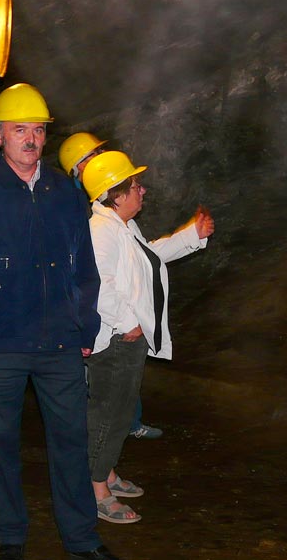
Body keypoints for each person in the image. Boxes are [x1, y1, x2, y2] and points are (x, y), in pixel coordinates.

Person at [0, 83, 118, 560]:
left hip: (60, 342)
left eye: (37, 130)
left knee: (71, 442)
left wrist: (85, 326)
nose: (31, 139)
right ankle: (12, 536)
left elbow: (85, 269)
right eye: (20, 130)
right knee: (0, 443)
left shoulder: (65, 193)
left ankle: (82, 539)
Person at [81, 150, 213, 525]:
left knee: (120, 412)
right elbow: (97, 287)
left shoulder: (123, 227)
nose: (142, 190)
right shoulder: (101, 232)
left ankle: (105, 472)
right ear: (116, 194)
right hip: (116, 342)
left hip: (127, 339)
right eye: (135, 185)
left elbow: (148, 257)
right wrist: (130, 323)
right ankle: (96, 490)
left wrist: (191, 236)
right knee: (108, 414)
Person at [59, 131, 162, 441]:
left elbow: (140, 253)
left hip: (110, 312)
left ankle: (126, 424)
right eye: (89, 157)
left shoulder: (107, 202)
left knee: (117, 378)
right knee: (95, 381)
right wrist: (128, 320)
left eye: (98, 153)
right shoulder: (77, 208)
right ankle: (92, 444)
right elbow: (94, 277)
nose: (97, 159)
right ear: (75, 169)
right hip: (91, 311)